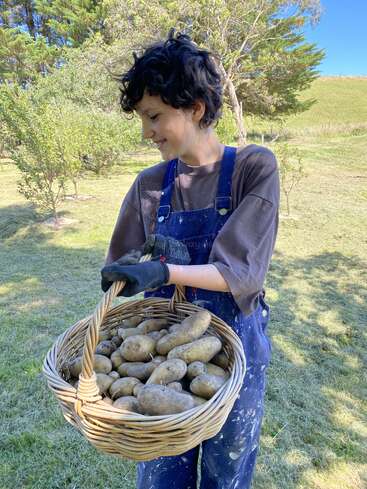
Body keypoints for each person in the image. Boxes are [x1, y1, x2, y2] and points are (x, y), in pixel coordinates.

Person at [101, 29, 279, 489]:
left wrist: (165, 268)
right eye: (142, 118)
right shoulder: (149, 185)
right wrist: (122, 274)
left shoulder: (253, 169)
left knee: (227, 474)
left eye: (154, 116)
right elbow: (119, 264)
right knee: (161, 477)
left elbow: (242, 270)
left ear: (196, 108)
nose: (146, 132)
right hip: (164, 360)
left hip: (234, 354)